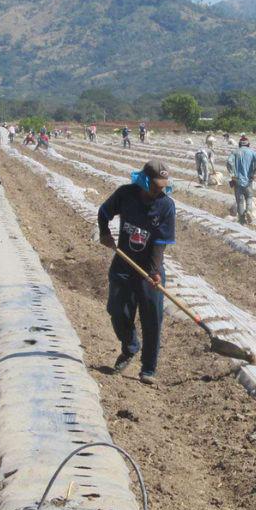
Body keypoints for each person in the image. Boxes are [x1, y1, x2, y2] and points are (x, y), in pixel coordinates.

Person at [98, 160, 176, 385]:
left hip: (150, 267)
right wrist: (104, 233)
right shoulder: (125, 194)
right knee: (117, 310)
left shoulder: (166, 205)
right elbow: (104, 212)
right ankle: (131, 346)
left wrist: (153, 272)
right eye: (155, 185)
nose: (159, 190)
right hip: (123, 264)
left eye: (163, 186)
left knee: (152, 317)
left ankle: (148, 368)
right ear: (144, 179)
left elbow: (160, 242)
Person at [226, 134, 256, 224]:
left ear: (240, 144)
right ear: (248, 144)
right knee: (249, 197)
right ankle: (248, 211)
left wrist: (232, 174)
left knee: (240, 201)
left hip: (237, 180)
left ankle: (242, 220)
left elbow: (229, 162)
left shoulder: (235, 152)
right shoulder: (252, 152)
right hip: (248, 180)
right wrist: (254, 173)